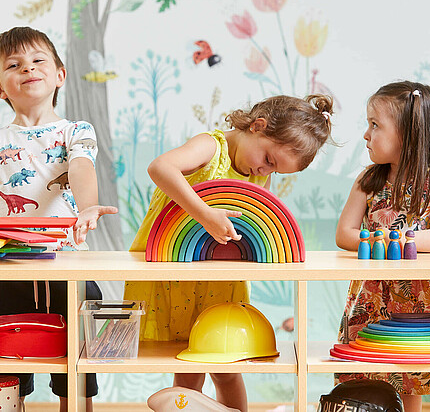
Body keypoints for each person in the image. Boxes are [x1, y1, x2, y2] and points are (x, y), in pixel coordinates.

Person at [124, 94, 334, 411]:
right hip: (173, 269)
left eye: (274, 170)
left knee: (227, 364)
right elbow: (161, 167)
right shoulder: (211, 146)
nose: (264, 169)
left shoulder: (256, 172)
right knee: (189, 364)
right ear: (257, 126)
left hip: (220, 276)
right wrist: (204, 214)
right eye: (268, 159)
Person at [0, 27, 118, 412]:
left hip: (68, 267)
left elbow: (79, 169)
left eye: (38, 60)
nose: (28, 68)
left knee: (76, 372)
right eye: (14, 64)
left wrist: (89, 205)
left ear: (59, 75)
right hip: (3, 273)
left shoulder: (75, 131)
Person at [335, 81, 430, 412]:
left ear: (408, 134)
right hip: (371, 294)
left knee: (410, 372)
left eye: (375, 125)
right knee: (363, 367)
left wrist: (400, 239)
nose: (366, 135)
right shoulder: (369, 179)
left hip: (418, 299)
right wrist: (378, 238)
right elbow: (344, 233)